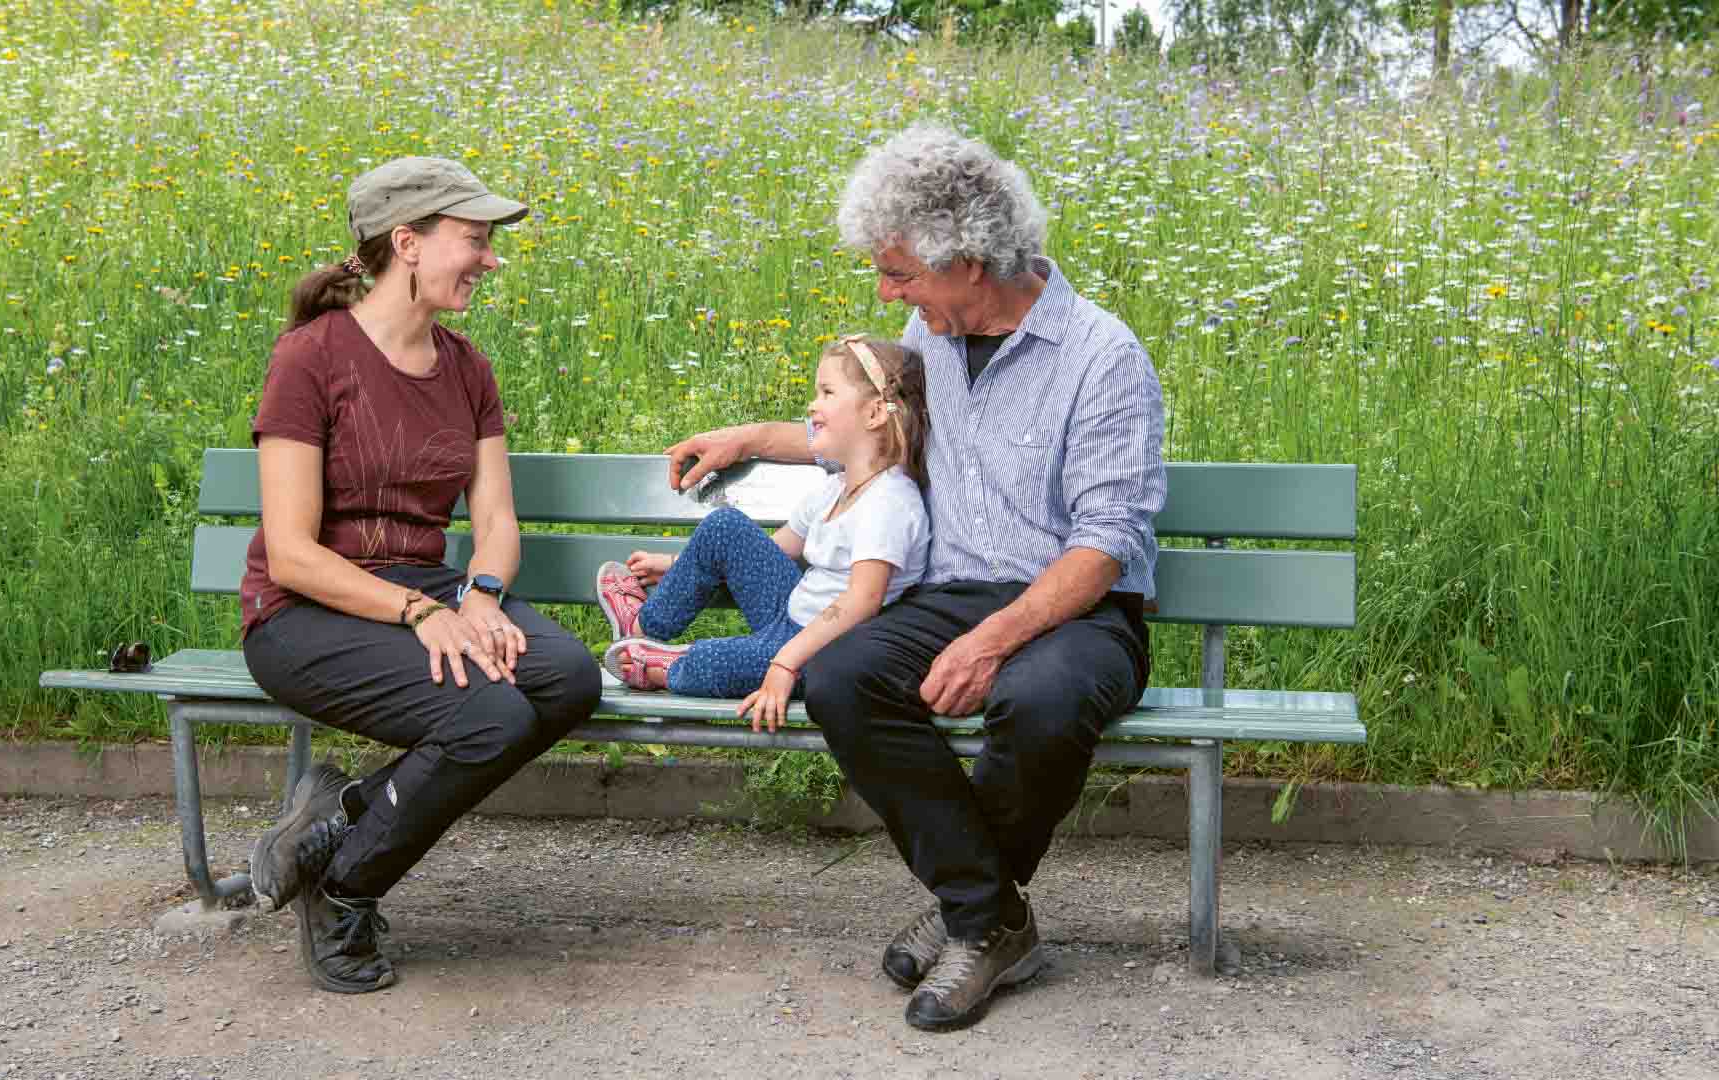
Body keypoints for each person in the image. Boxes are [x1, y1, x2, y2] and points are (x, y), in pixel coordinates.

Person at [664, 125, 1166, 1032]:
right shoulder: (927, 333)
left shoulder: (1102, 357)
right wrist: (750, 438)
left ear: (970, 260)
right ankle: (992, 917)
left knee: (1040, 702)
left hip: (1079, 608)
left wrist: (994, 640)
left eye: (901, 273)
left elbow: (1107, 544)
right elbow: (872, 431)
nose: (889, 292)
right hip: (949, 595)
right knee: (840, 676)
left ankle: (969, 916)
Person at [237, 156, 603, 994]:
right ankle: (346, 891)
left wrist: (478, 596)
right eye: (474, 239)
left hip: (422, 591)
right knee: (488, 717)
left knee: (565, 677)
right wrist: (417, 613)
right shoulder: (311, 358)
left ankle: (342, 819)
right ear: (407, 243)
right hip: (304, 613)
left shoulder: (467, 367)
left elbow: (496, 522)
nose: (492, 258)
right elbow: (291, 553)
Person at [595, 335, 930, 733]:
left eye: (827, 393)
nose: (812, 405)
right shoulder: (837, 486)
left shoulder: (889, 502)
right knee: (726, 527)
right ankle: (641, 629)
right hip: (790, 613)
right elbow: (774, 551)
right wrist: (675, 566)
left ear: (874, 412)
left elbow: (862, 601)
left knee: (711, 663)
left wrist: (786, 660)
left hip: (826, 650)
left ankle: (663, 668)